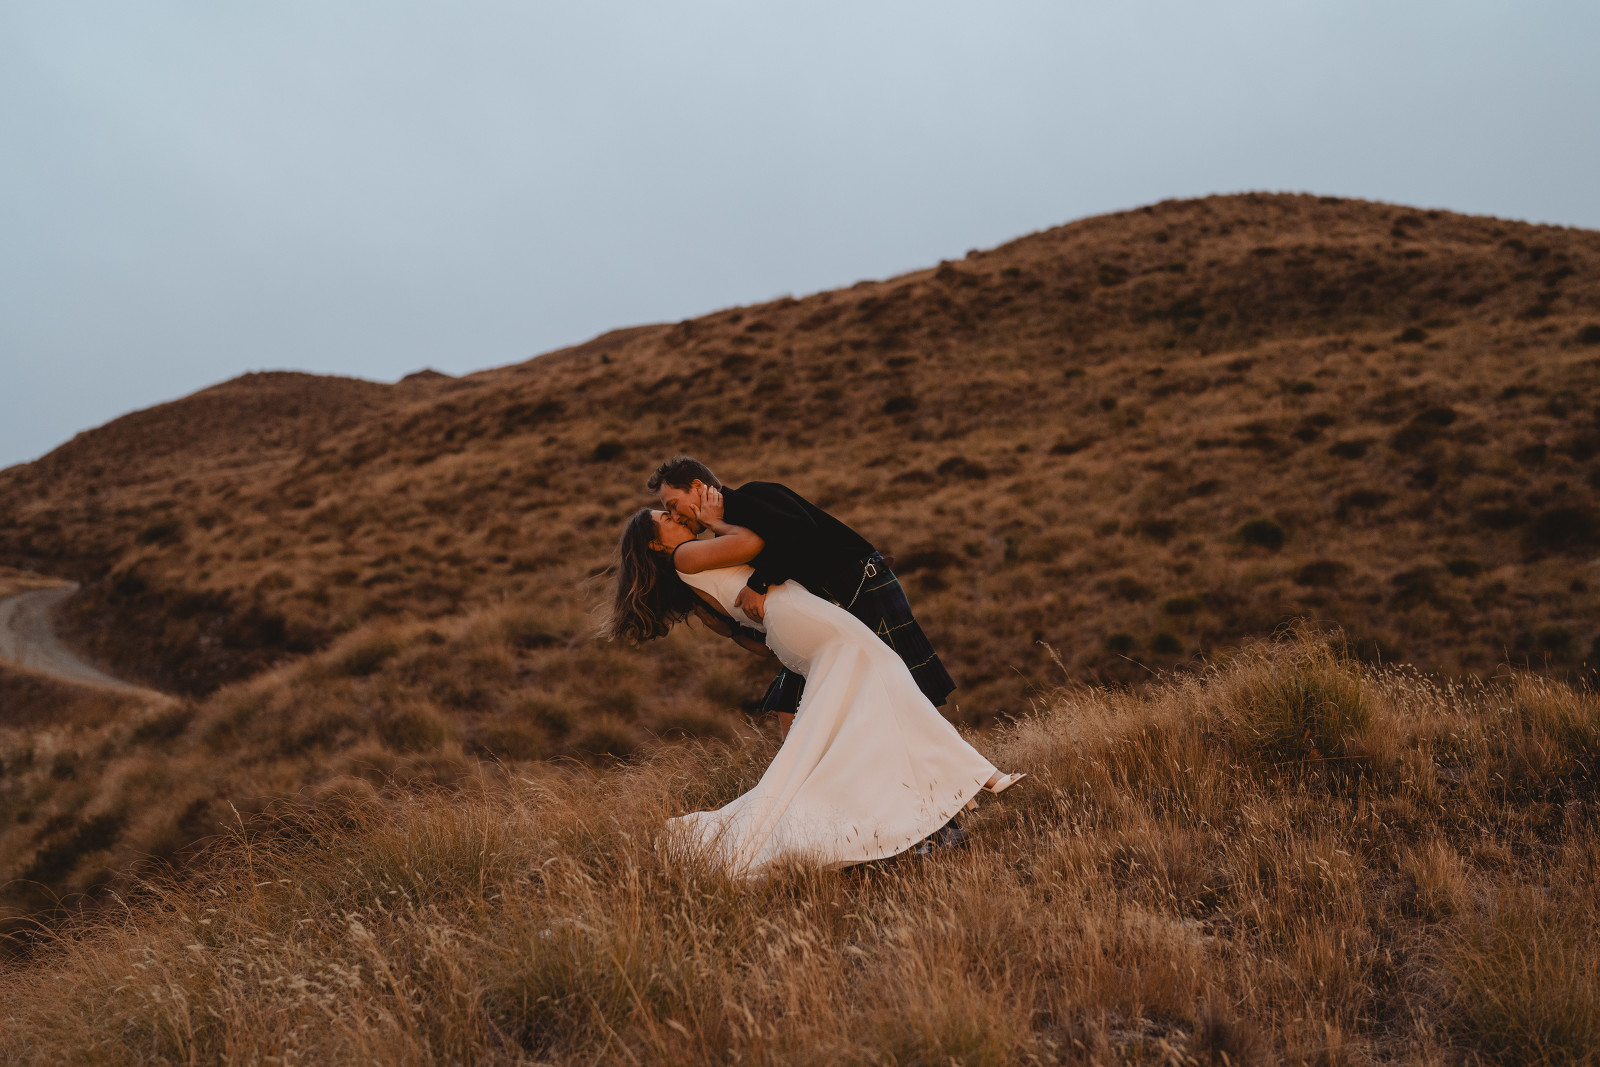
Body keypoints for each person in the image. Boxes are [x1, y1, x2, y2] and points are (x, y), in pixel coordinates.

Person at [604, 499, 1023, 877]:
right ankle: (972, 776)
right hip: (797, 616)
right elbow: (752, 542)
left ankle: (964, 781)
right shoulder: (685, 554)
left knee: (864, 707)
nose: (675, 516)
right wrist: (716, 521)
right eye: (665, 517)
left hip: (791, 621)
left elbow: (739, 630)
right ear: (655, 544)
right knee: (885, 673)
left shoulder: (688, 568)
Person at [649, 456, 955, 739]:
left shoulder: (750, 496)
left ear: (698, 487)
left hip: (863, 586)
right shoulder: (726, 535)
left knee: (904, 689)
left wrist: (759, 583)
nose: (675, 515)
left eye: (673, 505)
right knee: (790, 702)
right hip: (831, 608)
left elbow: (800, 531)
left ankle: (947, 765)